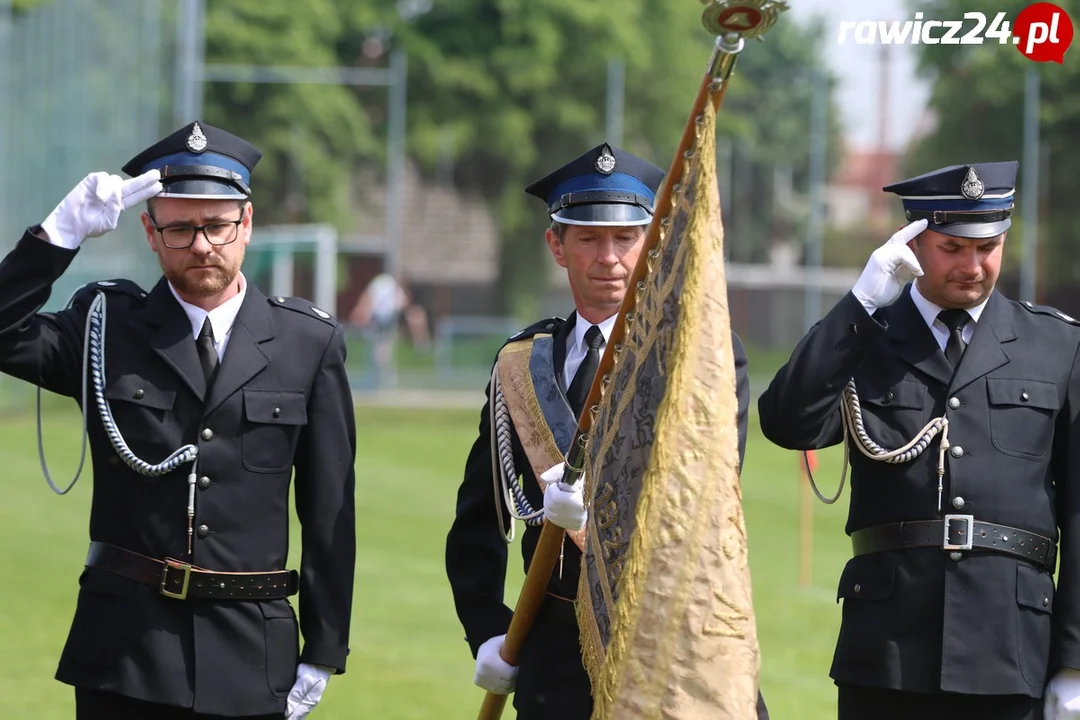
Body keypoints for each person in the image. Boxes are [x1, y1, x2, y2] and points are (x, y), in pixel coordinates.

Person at [0, 121, 357, 719]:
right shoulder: (103, 326)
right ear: (149, 230)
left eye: (217, 225)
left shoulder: (306, 342)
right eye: (180, 227)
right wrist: (56, 238)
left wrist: (323, 646)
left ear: (246, 223)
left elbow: (329, 510)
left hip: (252, 653)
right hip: (125, 656)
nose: (201, 245)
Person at [444, 143, 767, 719]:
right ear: (557, 246)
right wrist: (488, 631)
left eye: (626, 239)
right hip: (555, 655)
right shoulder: (522, 362)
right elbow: (479, 520)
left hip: (668, 642)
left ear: (654, 243)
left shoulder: (700, 357)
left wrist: (596, 514)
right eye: (589, 239)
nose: (610, 257)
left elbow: (706, 493)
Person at [757, 161, 1080, 720]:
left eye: (988, 247)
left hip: (1011, 649)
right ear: (912, 242)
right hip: (887, 652)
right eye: (951, 248)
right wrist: (859, 303)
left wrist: (1074, 664)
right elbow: (788, 422)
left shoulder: (1055, 344)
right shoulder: (866, 337)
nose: (973, 266)